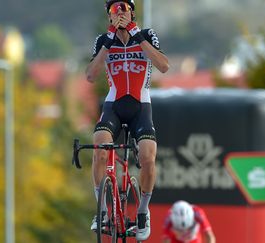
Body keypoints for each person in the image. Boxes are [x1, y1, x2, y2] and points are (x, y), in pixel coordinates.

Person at [85, 0, 169, 240]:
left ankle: (143, 211)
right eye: (114, 10)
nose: (119, 13)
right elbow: (91, 75)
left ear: (132, 11)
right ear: (109, 16)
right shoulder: (104, 40)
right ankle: (101, 211)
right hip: (114, 105)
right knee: (100, 148)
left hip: (140, 105)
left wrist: (135, 32)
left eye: (123, 8)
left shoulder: (146, 35)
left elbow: (163, 66)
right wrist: (109, 39)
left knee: (148, 157)